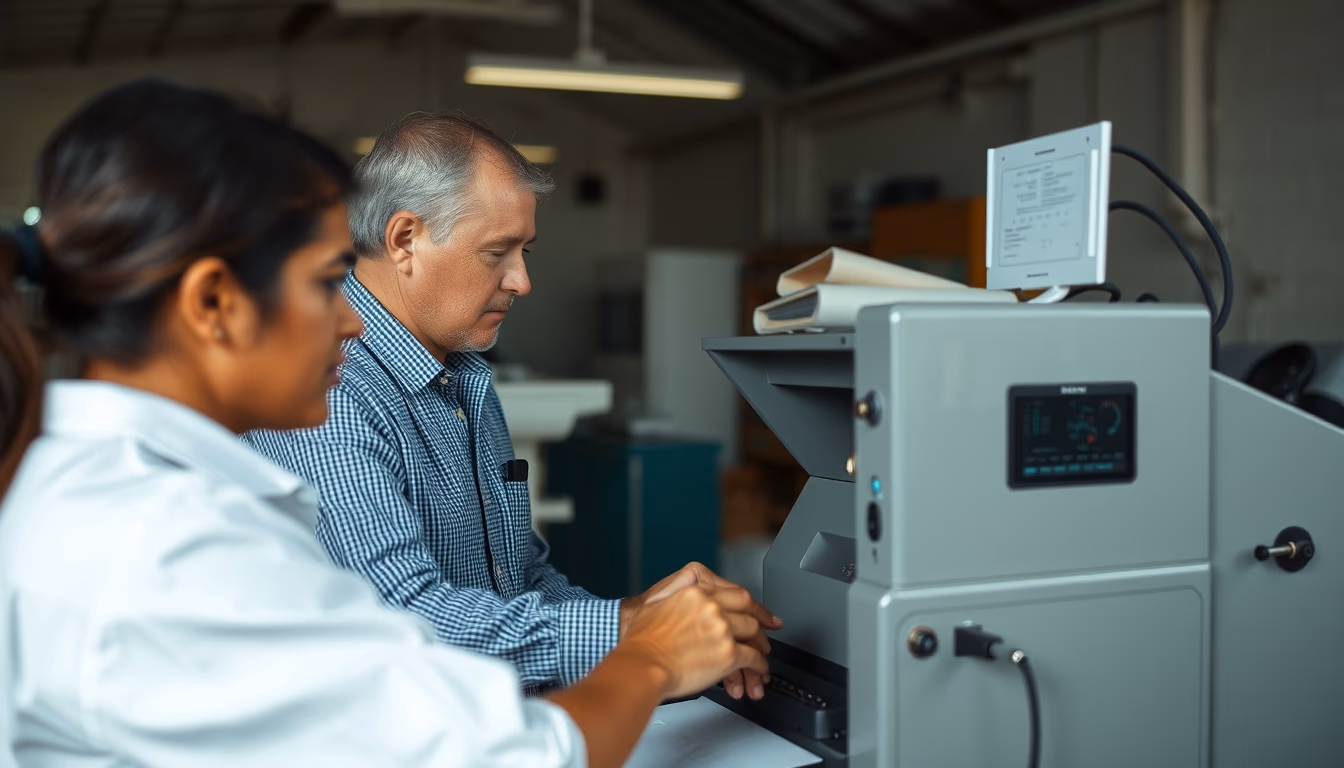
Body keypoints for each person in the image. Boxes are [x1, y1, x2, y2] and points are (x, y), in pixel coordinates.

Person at [0, 78, 767, 768]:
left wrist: (638, 621)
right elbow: (497, 752)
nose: (350, 320)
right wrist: (648, 655)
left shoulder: (136, 493)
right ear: (213, 303)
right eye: (324, 283)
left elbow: (500, 587)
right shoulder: (166, 544)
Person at [244, 112, 779, 699]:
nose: (522, 281)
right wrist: (631, 634)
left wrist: (642, 614)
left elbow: (517, 576)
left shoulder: (464, 379)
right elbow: (401, 618)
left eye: (523, 250)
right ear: (405, 240)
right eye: (497, 251)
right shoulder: (331, 390)